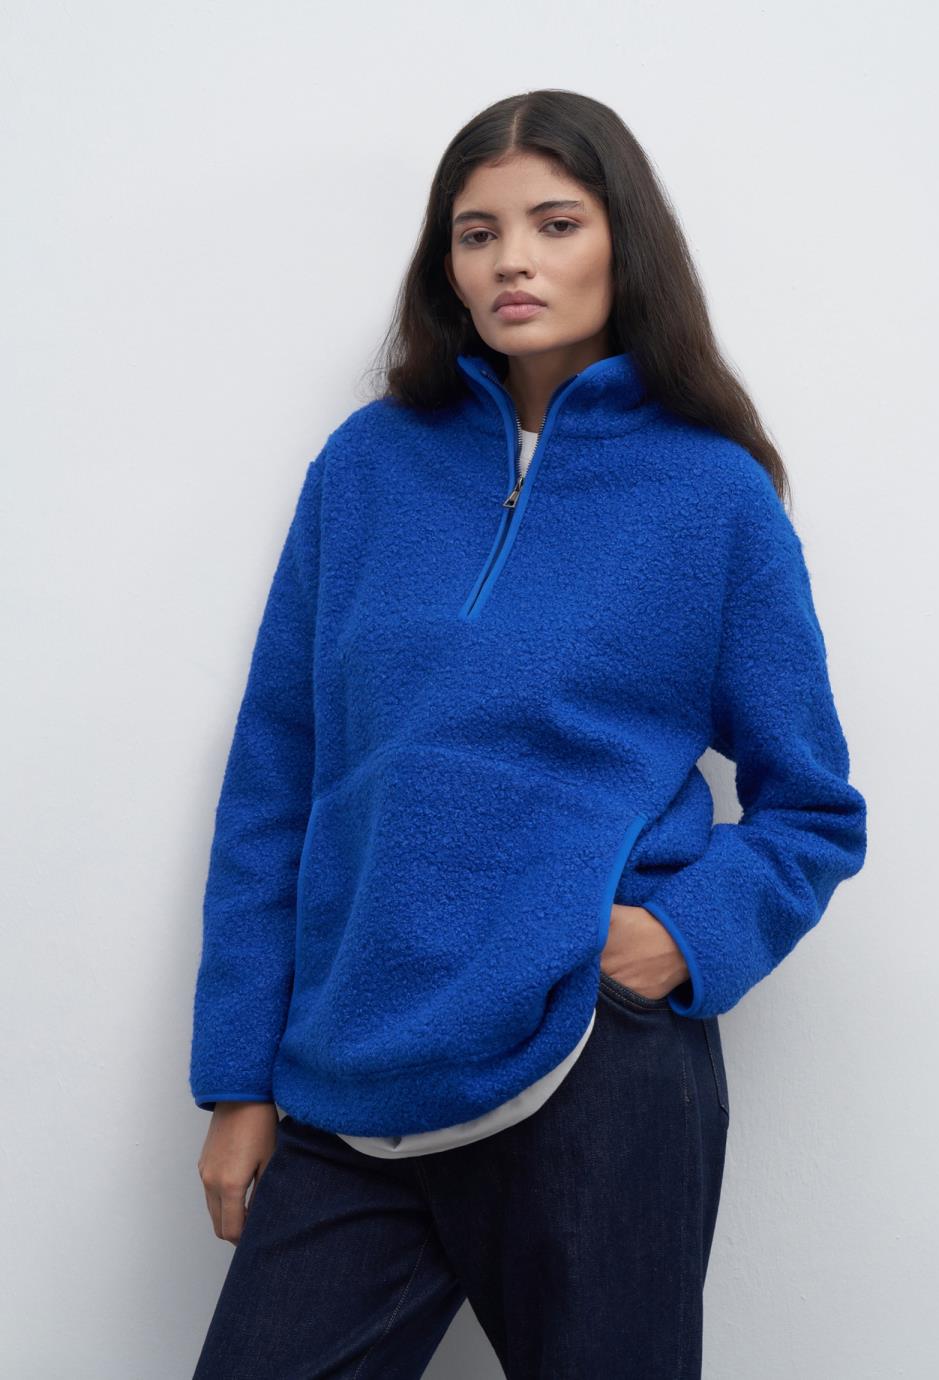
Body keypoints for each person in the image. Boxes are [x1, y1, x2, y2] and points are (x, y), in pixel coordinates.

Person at [189, 88, 868, 1379]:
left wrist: (674, 939)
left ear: (623, 242)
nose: (514, 261)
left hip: (592, 1069)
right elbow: (275, 783)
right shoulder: (364, 469)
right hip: (352, 1071)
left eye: (556, 224)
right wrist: (238, 1080)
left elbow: (813, 809)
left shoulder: (713, 497)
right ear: (445, 262)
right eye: (478, 232)